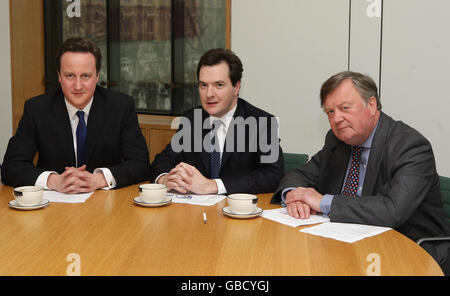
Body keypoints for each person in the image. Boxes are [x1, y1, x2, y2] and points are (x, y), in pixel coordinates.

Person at [272, 71, 450, 275]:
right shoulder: (337, 141)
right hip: (348, 243)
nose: (337, 118)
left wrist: (321, 202)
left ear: (371, 105)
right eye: (330, 112)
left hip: (408, 249)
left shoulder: (410, 146)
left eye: (344, 108)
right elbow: (300, 175)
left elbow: (392, 211)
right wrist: (294, 196)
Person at [1, 38, 150, 193]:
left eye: (85, 76)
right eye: (70, 76)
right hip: (53, 206)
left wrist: (100, 179)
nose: (78, 86)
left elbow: (141, 164)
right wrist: (53, 181)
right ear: (59, 76)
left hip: (106, 204)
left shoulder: (120, 107)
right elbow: (11, 167)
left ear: (97, 76)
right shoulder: (37, 109)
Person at [150, 48, 284, 195]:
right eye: (203, 85)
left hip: (238, 212)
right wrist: (165, 179)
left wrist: (214, 185)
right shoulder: (191, 119)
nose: (209, 94)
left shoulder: (262, 122)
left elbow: (272, 175)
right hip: (195, 212)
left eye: (219, 85)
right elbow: (163, 160)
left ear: (236, 87)